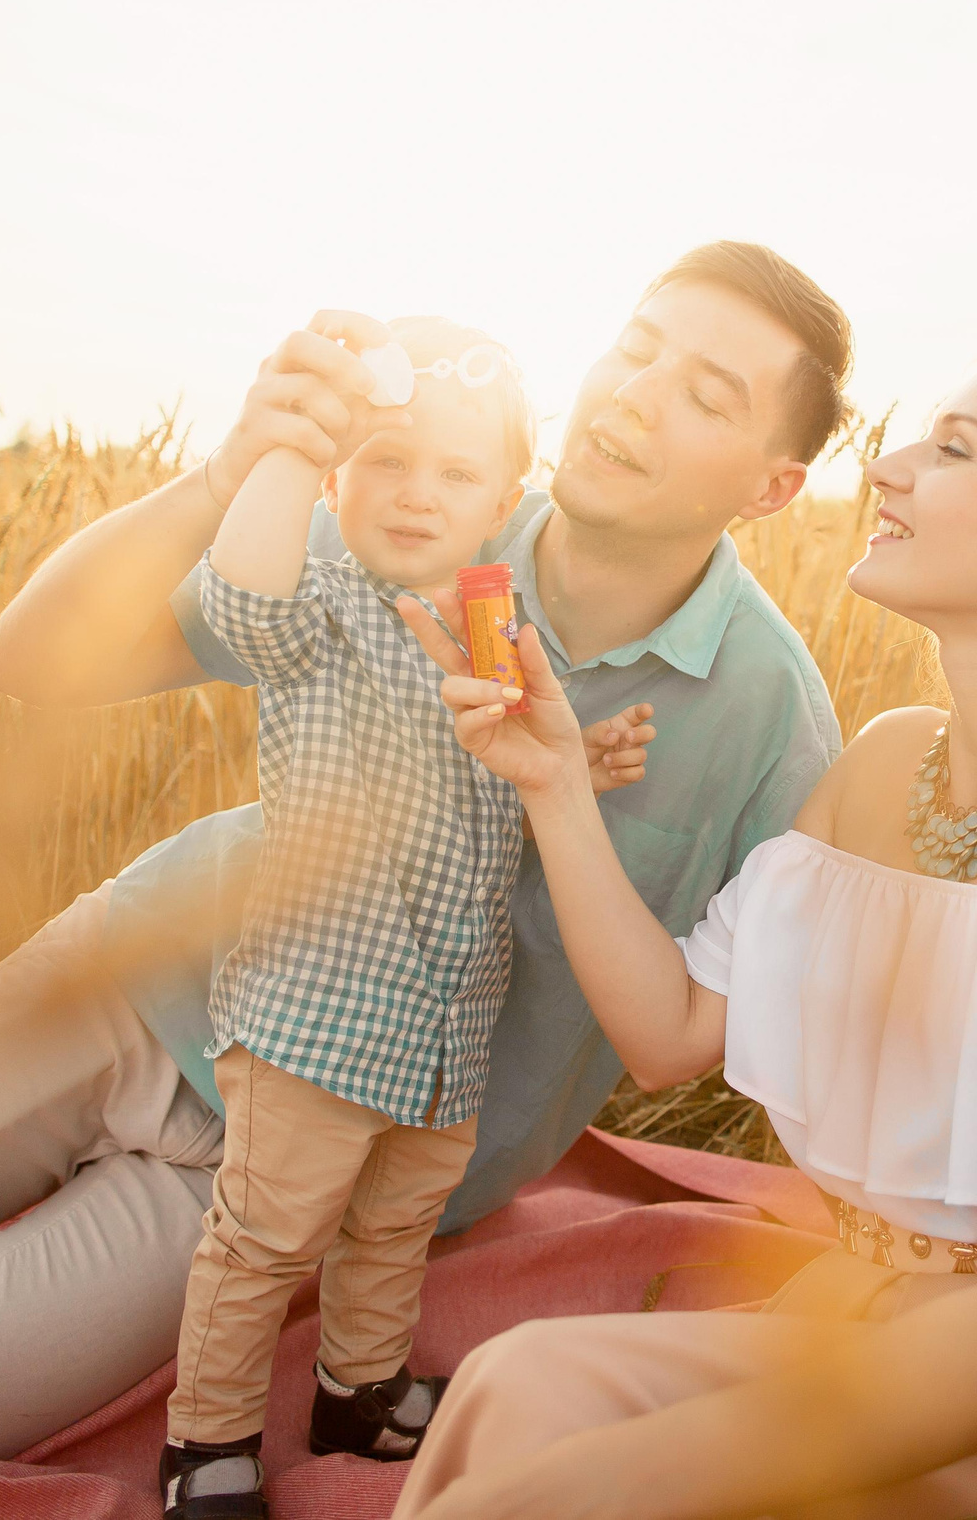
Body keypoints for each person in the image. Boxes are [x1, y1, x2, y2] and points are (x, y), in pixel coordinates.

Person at [0, 242, 852, 1489]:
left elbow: (698, 1034)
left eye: (706, 390)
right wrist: (231, 470)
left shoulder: (772, 724)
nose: (636, 393)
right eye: (636, 345)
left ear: (772, 484)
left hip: (302, 1154)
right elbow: (38, 661)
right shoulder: (420, 505)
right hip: (142, 979)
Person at [386, 342, 977, 1520]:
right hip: (860, 1318)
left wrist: (610, 1485)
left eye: (953, 449)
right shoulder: (882, 768)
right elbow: (669, 1035)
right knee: (521, 1386)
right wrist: (555, 785)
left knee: (555, 1454)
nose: (887, 467)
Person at [163, 318, 646, 1511]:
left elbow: (510, 768)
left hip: (445, 1022)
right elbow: (243, 601)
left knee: (390, 1232)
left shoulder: (498, 623)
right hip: (320, 1012)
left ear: (504, 499)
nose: (417, 494)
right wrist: (286, 451)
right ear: (337, 478)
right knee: (262, 1246)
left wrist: (579, 753)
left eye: (456, 471)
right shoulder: (321, 603)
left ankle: (358, 1392)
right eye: (385, 460)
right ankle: (206, 1445)